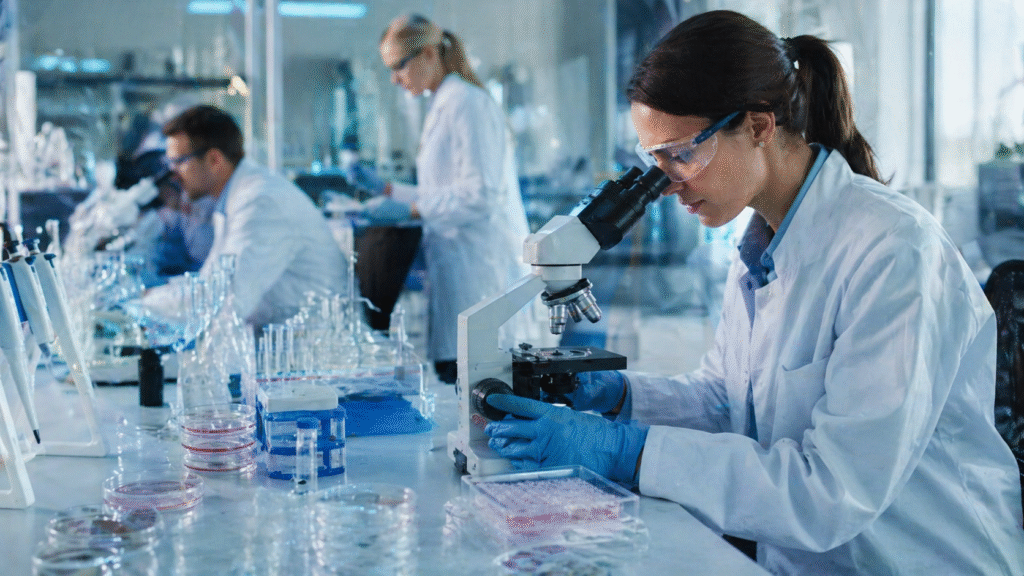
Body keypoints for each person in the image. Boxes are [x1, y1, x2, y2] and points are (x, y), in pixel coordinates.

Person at [484, 10, 1024, 575]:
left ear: (760, 127)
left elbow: (830, 492)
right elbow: (727, 402)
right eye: (655, 163)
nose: (667, 186)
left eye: (681, 154)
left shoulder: (894, 250)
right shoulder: (763, 245)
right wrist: (621, 396)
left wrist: (628, 451)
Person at [356, 14, 546, 383]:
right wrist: (387, 190)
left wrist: (411, 208)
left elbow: (480, 195)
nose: (395, 79)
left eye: (398, 67)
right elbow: (446, 188)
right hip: (458, 270)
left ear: (428, 53)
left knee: (481, 385)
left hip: (480, 272)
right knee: (457, 377)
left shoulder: (467, 103)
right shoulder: (444, 102)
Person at [142, 105, 346, 327]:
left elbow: (226, 298)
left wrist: (144, 303)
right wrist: (152, 297)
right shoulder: (233, 200)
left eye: (179, 162)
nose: (172, 173)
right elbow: (209, 283)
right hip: (281, 343)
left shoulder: (260, 202)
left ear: (214, 160)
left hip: (321, 349)